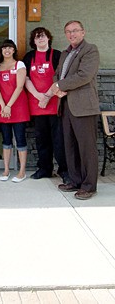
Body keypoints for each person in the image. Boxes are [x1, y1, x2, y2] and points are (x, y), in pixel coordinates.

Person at [51, 20, 100, 200]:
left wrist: (60, 85)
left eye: (75, 31)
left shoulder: (90, 50)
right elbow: (57, 73)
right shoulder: (65, 53)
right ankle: (75, 180)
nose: (72, 34)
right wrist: (57, 85)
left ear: (83, 32)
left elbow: (84, 75)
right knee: (70, 145)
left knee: (86, 148)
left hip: (83, 106)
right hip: (65, 105)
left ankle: (89, 186)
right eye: (68, 32)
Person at [23, 27, 68, 183]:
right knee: (42, 140)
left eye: (42, 36)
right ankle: (44, 169)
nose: (40, 39)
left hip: (54, 105)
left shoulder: (57, 55)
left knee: (59, 140)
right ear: (33, 41)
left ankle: (64, 170)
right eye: (36, 37)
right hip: (37, 106)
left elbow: (61, 78)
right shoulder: (29, 57)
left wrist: (47, 97)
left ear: (49, 38)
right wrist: (38, 96)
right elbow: (26, 79)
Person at [0, 39, 29, 183]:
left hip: (18, 107)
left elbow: (19, 87)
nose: (7, 51)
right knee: (6, 141)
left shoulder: (19, 64)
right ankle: (6, 169)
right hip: (3, 109)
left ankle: (22, 171)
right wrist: (3, 106)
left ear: (14, 50)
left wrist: (9, 106)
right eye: (4, 48)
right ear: (1, 51)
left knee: (20, 140)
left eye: (10, 48)